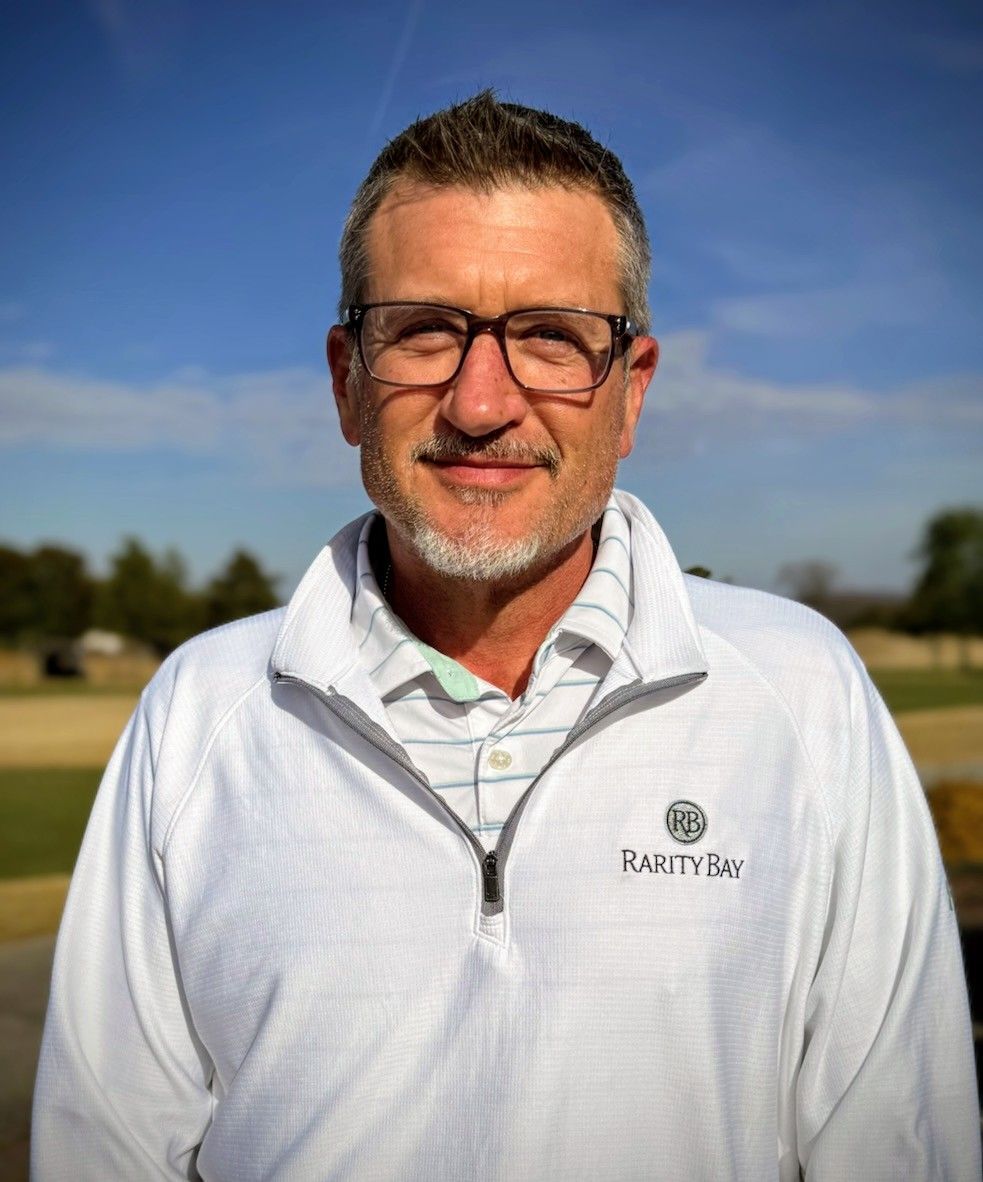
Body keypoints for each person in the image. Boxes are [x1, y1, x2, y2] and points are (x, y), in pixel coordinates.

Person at [33, 92, 979, 1181]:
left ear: (629, 392)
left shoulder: (802, 696)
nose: (480, 403)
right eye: (425, 332)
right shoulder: (201, 712)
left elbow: (899, 1144)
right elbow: (98, 1151)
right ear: (347, 381)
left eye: (547, 337)